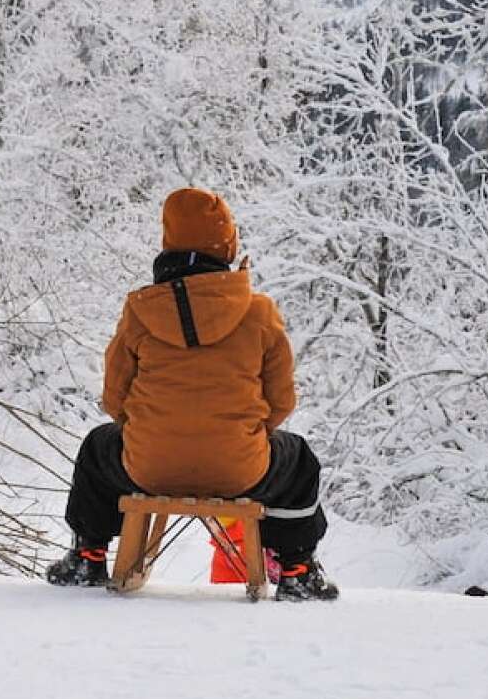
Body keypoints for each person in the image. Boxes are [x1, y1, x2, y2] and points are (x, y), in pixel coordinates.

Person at [46, 188, 339, 601]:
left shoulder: (140, 311)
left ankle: (88, 555)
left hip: (146, 466)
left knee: (98, 446)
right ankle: (297, 568)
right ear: (228, 246)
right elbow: (282, 401)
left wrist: (152, 433)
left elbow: (114, 399)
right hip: (243, 468)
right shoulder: (259, 313)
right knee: (300, 461)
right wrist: (246, 434)